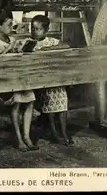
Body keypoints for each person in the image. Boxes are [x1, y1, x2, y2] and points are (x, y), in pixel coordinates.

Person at [0, 9, 38, 151]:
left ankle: (27, 136)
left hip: (15, 78)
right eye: (8, 24)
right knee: (18, 100)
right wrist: (8, 50)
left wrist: (20, 51)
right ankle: (18, 138)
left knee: (30, 99)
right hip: (0, 82)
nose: (11, 27)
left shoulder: (12, 40)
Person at [30, 15, 74, 146]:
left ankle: (64, 132)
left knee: (62, 100)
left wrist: (47, 49)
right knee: (50, 101)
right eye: (32, 28)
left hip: (56, 80)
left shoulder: (51, 41)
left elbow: (66, 45)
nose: (34, 31)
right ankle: (55, 133)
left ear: (46, 30)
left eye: (38, 29)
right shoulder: (29, 42)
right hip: (42, 81)